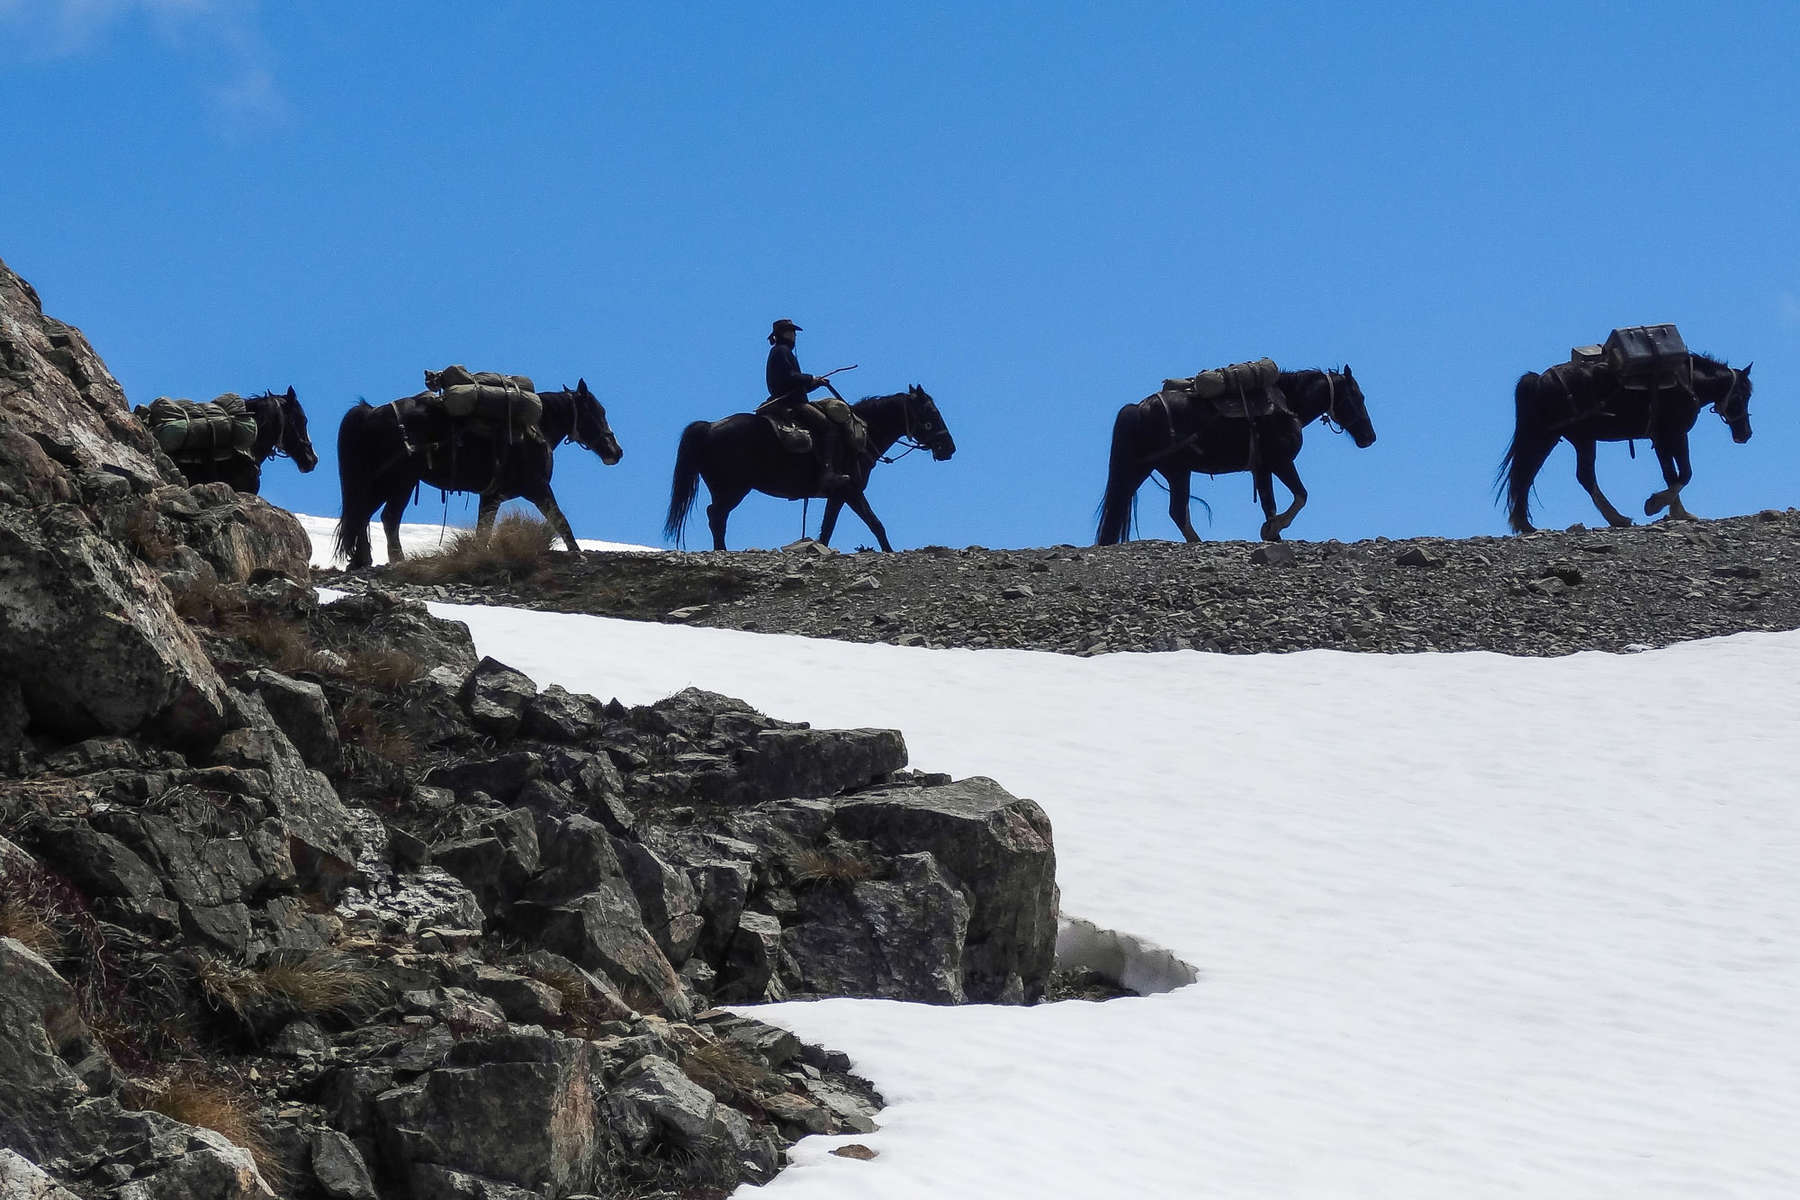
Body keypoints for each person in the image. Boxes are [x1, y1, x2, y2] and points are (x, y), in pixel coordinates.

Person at [764, 318, 850, 492]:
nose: (794, 335)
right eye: (791, 331)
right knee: (828, 428)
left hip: (788, 398)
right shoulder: (781, 351)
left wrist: (815, 383)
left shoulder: (780, 351)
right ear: (783, 333)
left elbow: (794, 384)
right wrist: (810, 378)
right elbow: (789, 377)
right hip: (792, 403)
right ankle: (827, 473)